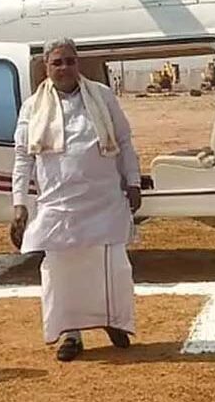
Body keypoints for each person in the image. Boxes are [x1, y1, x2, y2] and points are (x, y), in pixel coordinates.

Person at [11, 37, 143, 362]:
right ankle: (71, 335)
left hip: (104, 201)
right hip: (59, 205)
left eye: (70, 61)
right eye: (57, 62)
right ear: (46, 67)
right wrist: (19, 204)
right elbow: (23, 158)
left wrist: (134, 181)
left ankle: (113, 321)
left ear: (77, 63)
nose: (64, 68)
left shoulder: (102, 96)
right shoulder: (32, 106)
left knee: (110, 269)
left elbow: (124, 141)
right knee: (61, 273)